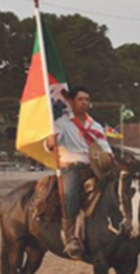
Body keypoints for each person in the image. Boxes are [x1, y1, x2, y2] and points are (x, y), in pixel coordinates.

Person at [44, 86, 113, 259]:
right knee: (70, 195)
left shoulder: (95, 125)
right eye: (80, 99)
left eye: (87, 100)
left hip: (94, 167)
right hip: (71, 166)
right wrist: (50, 143)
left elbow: (105, 147)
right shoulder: (62, 123)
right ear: (72, 102)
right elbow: (49, 145)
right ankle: (71, 237)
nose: (84, 103)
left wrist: (109, 158)